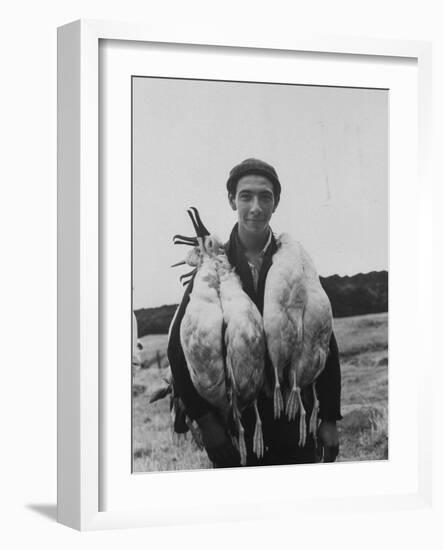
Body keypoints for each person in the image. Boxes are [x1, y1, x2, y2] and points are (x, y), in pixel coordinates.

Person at [167, 158, 342, 468]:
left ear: (276, 202)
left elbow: (323, 338)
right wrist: (207, 422)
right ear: (232, 199)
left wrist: (329, 417)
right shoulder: (214, 266)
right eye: (246, 196)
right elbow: (178, 349)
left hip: (293, 421)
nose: (256, 207)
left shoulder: (296, 263)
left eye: (265, 196)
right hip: (237, 429)